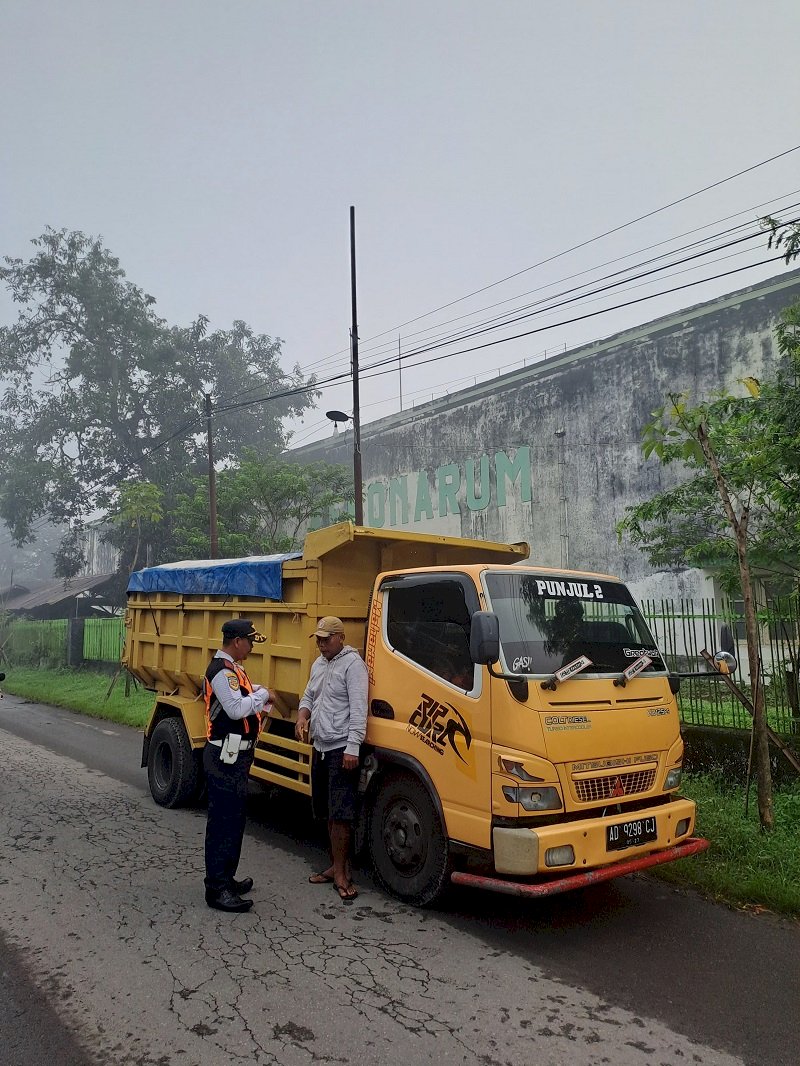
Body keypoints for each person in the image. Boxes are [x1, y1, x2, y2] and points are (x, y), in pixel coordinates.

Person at [202, 618, 275, 913]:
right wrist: (263, 695)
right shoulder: (221, 671)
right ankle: (216, 888)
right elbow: (234, 708)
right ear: (237, 642)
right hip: (223, 758)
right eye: (250, 641)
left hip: (236, 756)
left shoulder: (234, 669)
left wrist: (257, 692)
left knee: (234, 820)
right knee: (222, 822)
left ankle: (227, 878)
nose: (252, 646)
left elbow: (244, 692)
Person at [294, 616, 368, 901]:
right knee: (325, 810)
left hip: (340, 748)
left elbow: (358, 709)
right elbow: (309, 696)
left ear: (340, 638)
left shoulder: (353, 666)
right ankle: (336, 866)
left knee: (342, 814)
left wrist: (352, 747)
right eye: (318, 639)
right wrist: (303, 716)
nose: (321, 644)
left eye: (326, 639)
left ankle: (341, 873)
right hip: (321, 746)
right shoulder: (319, 664)